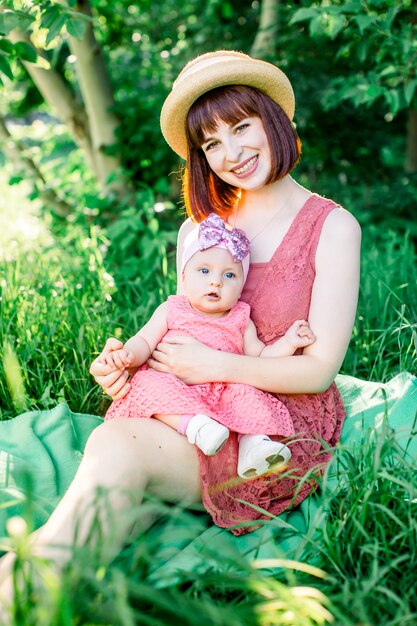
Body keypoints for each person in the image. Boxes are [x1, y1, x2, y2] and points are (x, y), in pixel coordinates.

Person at [0, 49, 361, 607]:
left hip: (274, 432)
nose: (232, 153)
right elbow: (186, 325)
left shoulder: (333, 226)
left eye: (242, 127)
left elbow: (317, 372)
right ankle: (28, 592)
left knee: (118, 447)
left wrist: (215, 366)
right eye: (212, 143)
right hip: (197, 410)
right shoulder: (199, 231)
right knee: (117, 494)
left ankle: (26, 585)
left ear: (276, 121)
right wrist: (130, 365)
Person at [100, 212, 316, 479]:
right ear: (184, 277)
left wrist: (288, 342)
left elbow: (261, 356)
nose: (216, 281)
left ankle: (253, 445)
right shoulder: (172, 309)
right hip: (176, 386)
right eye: (204, 271)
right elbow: (144, 340)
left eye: (229, 275)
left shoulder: (240, 318)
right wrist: (128, 355)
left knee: (249, 394)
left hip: (224, 388)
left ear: (241, 287)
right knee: (146, 384)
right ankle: (196, 426)